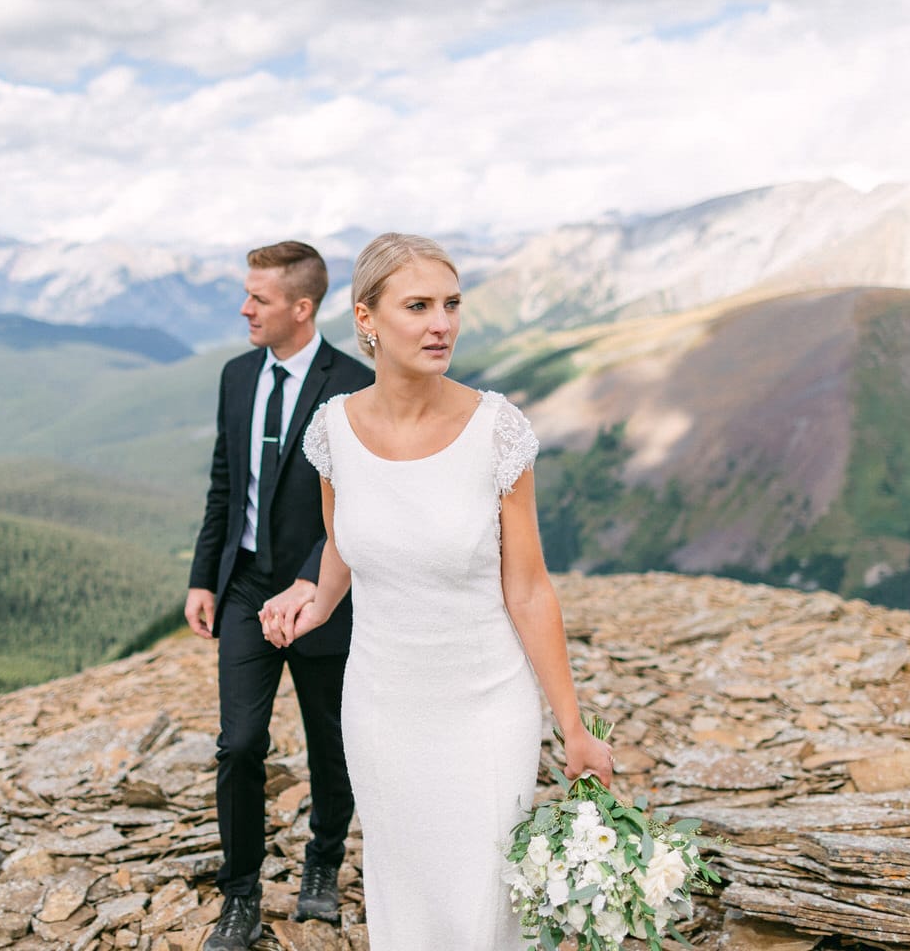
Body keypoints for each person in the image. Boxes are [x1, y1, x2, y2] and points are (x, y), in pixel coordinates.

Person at [260, 232, 613, 948]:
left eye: (450, 304)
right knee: (404, 893)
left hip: (487, 707)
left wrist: (573, 728)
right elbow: (344, 545)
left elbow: (531, 591)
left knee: (484, 899)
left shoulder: (497, 431)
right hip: (382, 707)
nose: (441, 323)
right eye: (417, 305)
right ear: (367, 318)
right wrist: (313, 600)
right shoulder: (333, 431)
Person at [186, 240, 374, 951]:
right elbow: (224, 484)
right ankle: (240, 898)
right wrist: (205, 577)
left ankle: (321, 866)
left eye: (257, 299)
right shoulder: (237, 376)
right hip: (244, 588)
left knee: (331, 744)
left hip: (326, 589)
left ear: (301, 307)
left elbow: (362, 504)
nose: (244, 309)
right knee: (239, 744)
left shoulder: (355, 384)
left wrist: (312, 581)